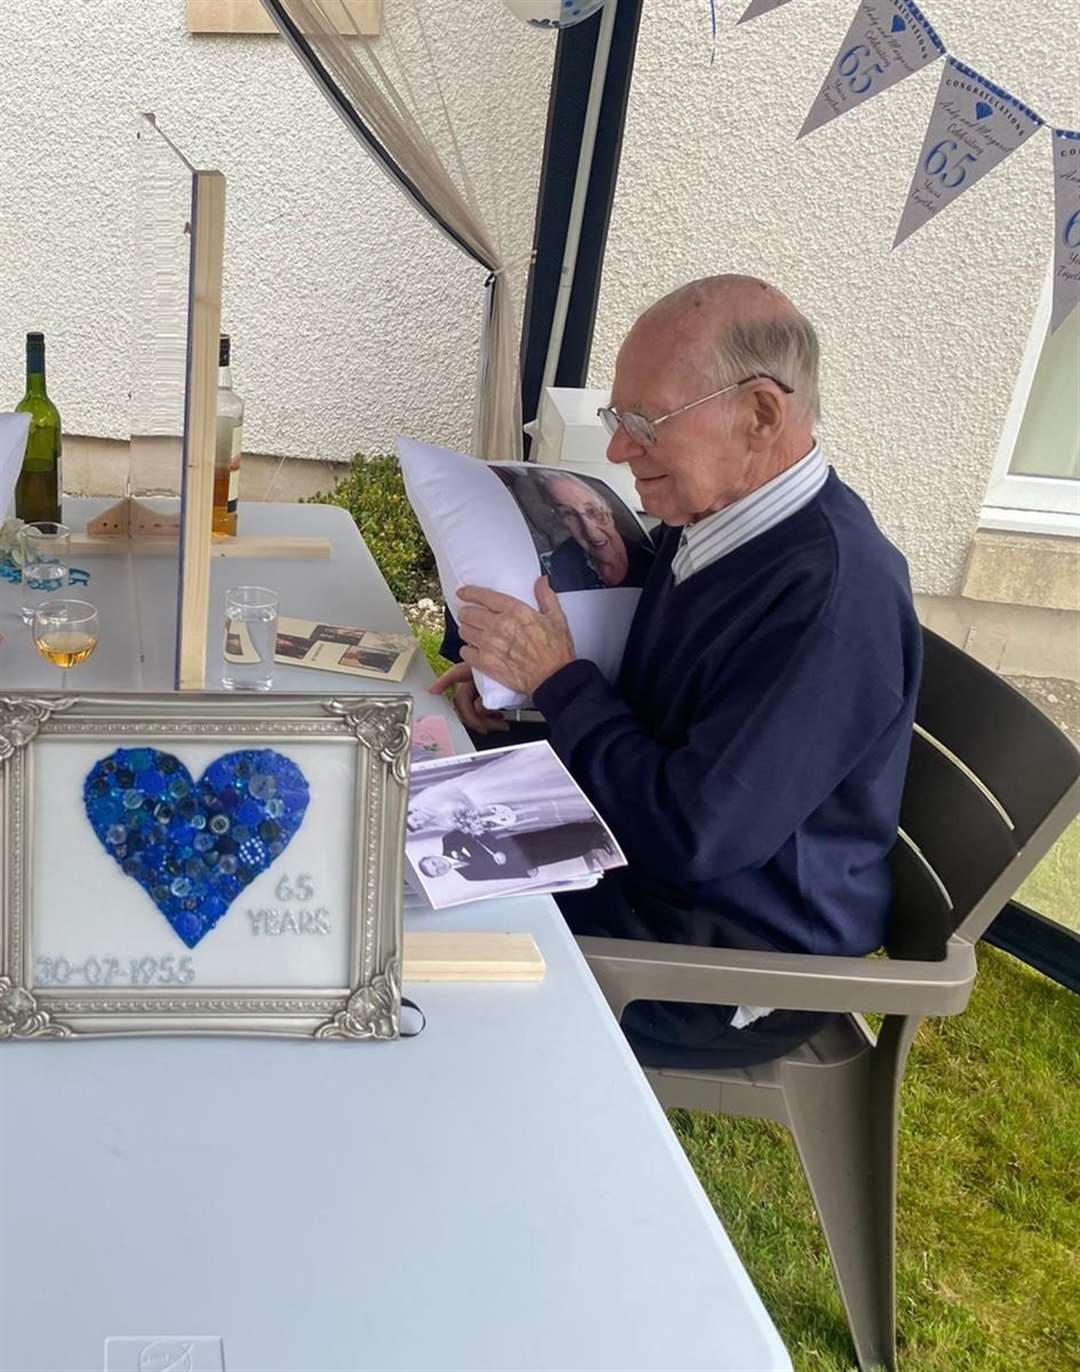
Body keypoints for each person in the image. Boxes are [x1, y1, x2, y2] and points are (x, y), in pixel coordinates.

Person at [431, 273, 922, 1070]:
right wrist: (525, 698)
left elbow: (694, 835)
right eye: (616, 418)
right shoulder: (718, 524)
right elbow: (671, 715)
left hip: (730, 949)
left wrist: (561, 685)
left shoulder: (832, 600)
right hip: (645, 870)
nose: (620, 449)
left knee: (426, 939)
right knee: (407, 815)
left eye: (644, 423)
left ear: (760, 413)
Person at [532, 470, 652, 592]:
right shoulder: (563, 559)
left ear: (608, 508)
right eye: (569, 514)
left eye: (593, 511)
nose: (590, 531)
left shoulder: (650, 560)